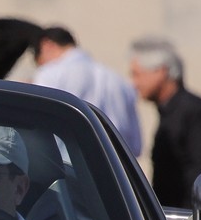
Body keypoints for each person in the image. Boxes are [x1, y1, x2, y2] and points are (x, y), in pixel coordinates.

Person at [128, 35, 201, 207]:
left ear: (161, 72)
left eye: (137, 74)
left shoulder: (196, 111)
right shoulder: (168, 112)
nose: (134, 83)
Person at [30, 26, 143, 157]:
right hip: (116, 173)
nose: (39, 64)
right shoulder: (120, 82)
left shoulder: (49, 74)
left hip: (72, 171)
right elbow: (136, 147)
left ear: (47, 45)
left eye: (38, 59)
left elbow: (39, 132)